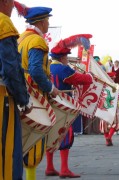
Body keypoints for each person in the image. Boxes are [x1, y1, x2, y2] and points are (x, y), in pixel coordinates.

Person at [15, 2, 59, 180]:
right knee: (34, 141)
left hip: (19, 88)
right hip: (34, 93)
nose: (48, 24)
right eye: (47, 21)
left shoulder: (20, 37)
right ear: (41, 22)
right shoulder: (37, 41)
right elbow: (35, 69)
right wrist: (50, 88)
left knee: (21, 138)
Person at [45, 45, 93, 178]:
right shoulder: (63, 69)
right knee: (65, 135)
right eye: (66, 56)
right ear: (62, 57)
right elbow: (82, 80)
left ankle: (49, 166)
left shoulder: (48, 67)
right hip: (63, 107)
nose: (67, 59)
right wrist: (89, 75)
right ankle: (64, 169)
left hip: (49, 106)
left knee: (51, 135)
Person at [0, 0, 33, 179]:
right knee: (8, 156)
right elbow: (11, 68)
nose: (13, 7)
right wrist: (23, 99)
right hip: (2, 99)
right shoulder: (3, 22)